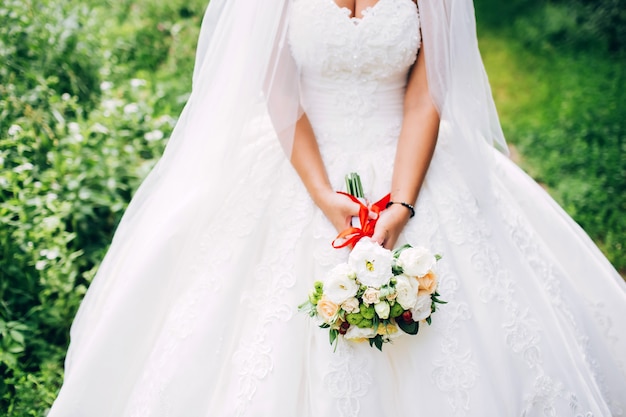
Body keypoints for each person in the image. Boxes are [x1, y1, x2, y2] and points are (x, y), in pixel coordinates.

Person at [49, 0, 626, 415]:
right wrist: (323, 194)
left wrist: (402, 201)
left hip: (409, 156)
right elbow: (277, 86)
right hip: (303, 158)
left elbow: (426, 92)